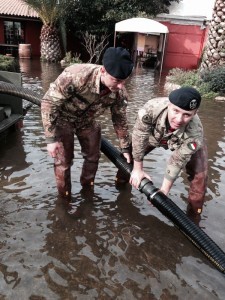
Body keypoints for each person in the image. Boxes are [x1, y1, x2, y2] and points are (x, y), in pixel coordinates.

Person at [41, 47, 134, 200]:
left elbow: (120, 119)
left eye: (124, 81)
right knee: (64, 161)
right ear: (103, 71)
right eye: (117, 80)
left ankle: (87, 191)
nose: (121, 86)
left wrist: (124, 147)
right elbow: (49, 103)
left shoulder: (120, 93)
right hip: (63, 118)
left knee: (93, 156)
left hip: (88, 121)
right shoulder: (76, 75)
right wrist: (51, 139)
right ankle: (64, 199)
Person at [129, 86, 208, 215]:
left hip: (184, 141)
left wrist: (164, 190)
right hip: (154, 136)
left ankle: (194, 217)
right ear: (169, 105)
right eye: (175, 111)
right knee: (128, 156)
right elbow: (139, 137)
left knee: (200, 178)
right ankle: (121, 186)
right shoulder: (151, 109)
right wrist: (138, 169)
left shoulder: (195, 133)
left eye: (187, 115)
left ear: (195, 113)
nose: (179, 119)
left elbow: (177, 159)